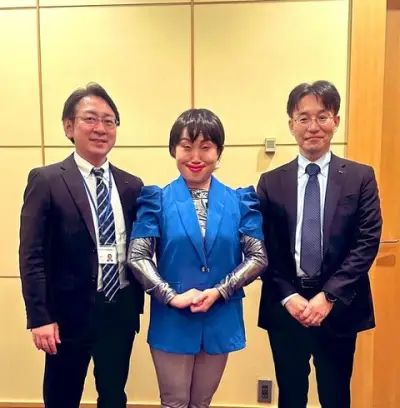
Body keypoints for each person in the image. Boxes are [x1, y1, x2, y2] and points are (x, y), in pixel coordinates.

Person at [128, 108, 268, 408]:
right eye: (186, 146)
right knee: (175, 402)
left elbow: (258, 256)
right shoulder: (156, 199)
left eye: (206, 147)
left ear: (218, 152)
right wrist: (171, 296)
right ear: (173, 150)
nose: (196, 156)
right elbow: (138, 256)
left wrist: (220, 290)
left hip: (220, 314)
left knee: (202, 402)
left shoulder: (240, 200)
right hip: (173, 316)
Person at [257, 80, 382, 408]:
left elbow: (367, 240)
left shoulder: (360, 177)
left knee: (336, 396)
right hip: (287, 307)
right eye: (303, 118)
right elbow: (262, 245)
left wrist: (328, 297)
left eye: (322, 117)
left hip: (339, 306)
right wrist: (289, 297)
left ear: (335, 121)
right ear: (291, 125)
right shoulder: (271, 181)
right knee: (290, 396)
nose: (313, 127)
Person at [19, 83, 144, 408]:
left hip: (118, 310)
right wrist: (39, 316)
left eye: (109, 121)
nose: (101, 128)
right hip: (66, 316)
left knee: (114, 397)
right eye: (90, 119)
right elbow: (31, 255)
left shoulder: (131, 185)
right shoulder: (47, 180)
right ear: (69, 127)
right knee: (62, 397)